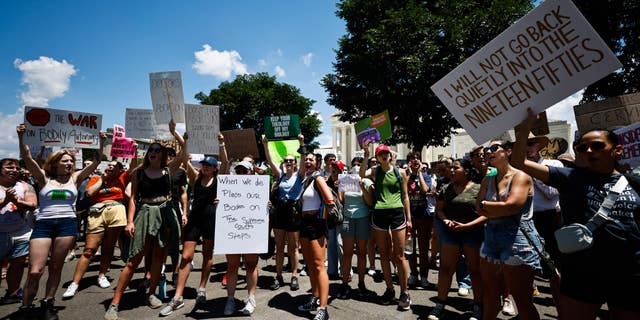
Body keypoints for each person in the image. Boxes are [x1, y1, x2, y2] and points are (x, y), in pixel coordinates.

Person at [512, 109, 640, 320]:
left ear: (617, 150)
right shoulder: (569, 177)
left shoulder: (634, 183)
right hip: (583, 270)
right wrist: (526, 127)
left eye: (597, 146)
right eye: (582, 147)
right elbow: (519, 163)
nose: (589, 151)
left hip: (629, 272)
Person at [16, 124, 106, 320]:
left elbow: (97, 161)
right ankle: (25, 307)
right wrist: (21, 137)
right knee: (35, 270)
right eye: (65, 160)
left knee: (56, 267)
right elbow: (28, 159)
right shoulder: (43, 178)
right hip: (44, 226)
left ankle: (49, 302)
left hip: (67, 225)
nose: (69, 163)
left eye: (71, 161)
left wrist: (101, 143)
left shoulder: (75, 179)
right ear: (54, 163)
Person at [104, 121, 183, 320]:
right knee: (134, 260)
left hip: (164, 214)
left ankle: (151, 293)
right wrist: (130, 221)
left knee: (158, 258)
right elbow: (132, 198)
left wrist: (176, 134)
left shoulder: (168, 171)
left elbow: (184, 154)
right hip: (145, 213)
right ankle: (115, 303)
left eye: (157, 150)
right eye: (151, 150)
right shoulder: (138, 173)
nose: (154, 152)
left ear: (163, 154)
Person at [476, 139, 541, 320]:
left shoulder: (521, 176)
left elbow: (512, 206)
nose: (488, 152)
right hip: (491, 238)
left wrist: (487, 205)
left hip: (517, 240)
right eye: (487, 149)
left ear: (509, 152)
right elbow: (478, 208)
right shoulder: (488, 179)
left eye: (494, 148)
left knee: (522, 299)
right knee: (490, 293)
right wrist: (493, 207)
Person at [63, 157, 136, 298]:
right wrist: (103, 178)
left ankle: (102, 275)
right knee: (89, 250)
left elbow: (133, 168)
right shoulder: (96, 178)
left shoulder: (122, 178)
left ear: (120, 169)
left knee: (108, 247)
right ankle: (75, 283)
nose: (110, 167)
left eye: (114, 166)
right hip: (97, 211)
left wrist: (133, 152)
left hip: (116, 209)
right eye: (109, 165)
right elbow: (90, 193)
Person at [428, 159, 485, 320]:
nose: (451, 171)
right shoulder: (446, 189)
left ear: (466, 171)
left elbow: (485, 213)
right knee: (446, 269)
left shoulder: (479, 188)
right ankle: (440, 304)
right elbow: (439, 209)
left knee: (474, 270)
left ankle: (478, 307)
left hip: (473, 233)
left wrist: (467, 226)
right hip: (451, 233)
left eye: (456, 168)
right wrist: (445, 220)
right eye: (451, 168)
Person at [359, 144, 412, 310]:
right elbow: (361, 175)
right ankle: (390, 289)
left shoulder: (400, 172)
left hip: (397, 213)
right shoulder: (375, 171)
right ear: (377, 157)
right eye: (380, 153)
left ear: (390, 155)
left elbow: (405, 196)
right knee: (383, 253)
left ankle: (405, 292)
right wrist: (366, 156)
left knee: (399, 255)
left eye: (386, 153)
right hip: (379, 213)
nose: (384, 155)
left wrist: (409, 218)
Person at [525, 132, 563, 300]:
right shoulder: (517, 168)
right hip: (528, 220)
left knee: (555, 268)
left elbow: (552, 193)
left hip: (551, 220)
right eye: (524, 144)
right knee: (527, 267)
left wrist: (533, 171)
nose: (528, 147)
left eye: (531, 143)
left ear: (539, 146)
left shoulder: (553, 164)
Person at [262, 137, 303, 292]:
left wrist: (301, 143)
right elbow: (270, 160)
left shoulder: (299, 176)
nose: (289, 162)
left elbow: (304, 156)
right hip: (280, 212)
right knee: (279, 247)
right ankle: (278, 276)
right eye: (286, 160)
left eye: (292, 160)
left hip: (293, 213)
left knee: (293, 248)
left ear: (295, 163)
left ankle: (294, 276)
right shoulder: (280, 175)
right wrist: (265, 145)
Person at [296, 152, 333, 320]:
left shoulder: (317, 178)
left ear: (317, 163)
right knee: (310, 264)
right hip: (304, 224)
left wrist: (321, 219)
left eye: (311, 159)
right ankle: (315, 297)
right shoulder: (305, 179)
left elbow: (330, 200)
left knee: (319, 265)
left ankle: (323, 309)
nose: (307, 161)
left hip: (316, 223)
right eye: (306, 159)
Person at [222, 160, 261, 316]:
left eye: (244, 171)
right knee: (232, 266)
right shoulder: (228, 187)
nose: (241, 174)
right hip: (233, 233)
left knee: (251, 265)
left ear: (251, 172)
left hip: (251, 232)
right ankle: (230, 299)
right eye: (238, 171)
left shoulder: (259, 188)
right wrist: (219, 203)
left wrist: (267, 205)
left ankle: (251, 298)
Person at [336, 157, 374, 299]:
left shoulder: (366, 181)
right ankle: (345, 282)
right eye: (355, 165)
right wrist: (339, 186)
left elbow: (370, 202)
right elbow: (341, 200)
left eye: (359, 165)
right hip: (347, 219)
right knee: (347, 253)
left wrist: (361, 186)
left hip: (362, 218)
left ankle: (361, 283)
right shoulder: (346, 179)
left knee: (362, 252)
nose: (357, 167)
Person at [0, 159, 37, 304]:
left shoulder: (24, 185)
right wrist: (5, 201)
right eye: (9, 167)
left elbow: (33, 205)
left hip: (21, 233)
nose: (14, 170)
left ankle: (13, 292)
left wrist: (16, 202)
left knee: (17, 263)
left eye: (16, 167)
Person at [405, 151, 435, 288]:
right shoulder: (404, 176)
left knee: (424, 249)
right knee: (410, 248)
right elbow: (403, 193)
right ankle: (413, 274)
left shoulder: (426, 176)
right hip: (410, 217)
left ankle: (424, 277)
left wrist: (419, 174)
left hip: (424, 217)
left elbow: (425, 190)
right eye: (412, 159)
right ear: (408, 162)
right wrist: (409, 174)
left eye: (417, 158)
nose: (415, 160)